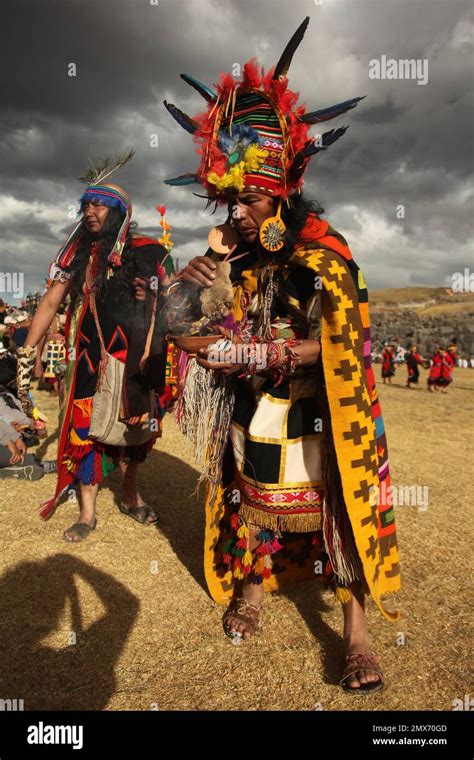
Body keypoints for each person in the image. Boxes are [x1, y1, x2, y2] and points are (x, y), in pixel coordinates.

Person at [167, 16, 400, 693]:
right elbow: (179, 327)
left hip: (323, 414)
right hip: (256, 411)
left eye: (248, 196)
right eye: (230, 198)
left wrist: (270, 350)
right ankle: (255, 592)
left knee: (342, 512)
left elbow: (341, 343)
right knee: (251, 503)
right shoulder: (231, 259)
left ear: (281, 186)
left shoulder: (325, 250)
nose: (237, 210)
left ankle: (355, 635)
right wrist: (196, 277)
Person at [17, 153, 170, 541]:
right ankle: (87, 513)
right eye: (86, 204)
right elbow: (51, 301)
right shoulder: (80, 254)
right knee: (85, 433)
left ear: (119, 211)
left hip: (138, 358)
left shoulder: (150, 250)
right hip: (91, 358)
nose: (89, 211)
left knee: (137, 431)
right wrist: (25, 351)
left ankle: (131, 494)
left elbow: (169, 300)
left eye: (98, 204)